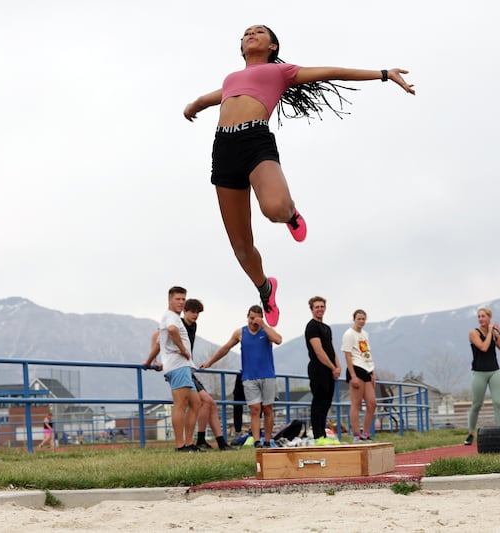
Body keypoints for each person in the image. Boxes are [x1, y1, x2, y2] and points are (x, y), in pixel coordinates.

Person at [183, 25, 415, 327]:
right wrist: (194, 105)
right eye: (246, 33)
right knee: (241, 247)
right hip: (223, 149)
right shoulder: (231, 79)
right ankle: (265, 288)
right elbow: (213, 97)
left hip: (255, 141)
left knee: (275, 209)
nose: (251, 34)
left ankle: (291, 214)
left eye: (259, 32)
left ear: (272, 47)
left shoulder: (281, 73)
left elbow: (334, 72)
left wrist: (383, 73)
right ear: (241, 48)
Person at [143, 299, 232, 450]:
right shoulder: (176, 322)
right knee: (200, 402)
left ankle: (209, 441)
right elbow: (158, 337)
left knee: (204, 403)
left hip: (188, 367)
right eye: (192, 311)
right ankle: (195, 442)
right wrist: (154, 360)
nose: (195, 315)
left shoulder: (193, 326)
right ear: (185, 311)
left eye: (198, 313)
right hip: (178, 367)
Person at [201, 305, 282, 448]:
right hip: (249, 377)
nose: (253, 322)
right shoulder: (240, 332)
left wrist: (264, 325)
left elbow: (278, 340)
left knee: (268, 409)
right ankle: (257, 441)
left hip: (267, 375)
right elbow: (226, 348)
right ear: (247, 317)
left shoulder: (266, 331)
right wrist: (210, 362)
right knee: (255, 409)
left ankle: (268, 441)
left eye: (256, 319)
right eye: (251, 318)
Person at [147, 286, 202, 452]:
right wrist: (184, 350)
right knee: (180, 404)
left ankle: (189, 443)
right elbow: (171, 331)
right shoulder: (171, 317)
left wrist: (149, 360)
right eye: (177, 299)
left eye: (183, 299)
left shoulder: (172, 317)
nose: (181, 302)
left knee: (196, 403)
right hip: (177, 366)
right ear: (170, 300)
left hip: (182, 366)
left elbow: (159, 343)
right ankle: (180, 445)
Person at [465, 307, 500, 445]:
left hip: (494, 371)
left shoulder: (493, 333)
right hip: (479, 373)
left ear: (489, 318)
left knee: (498, 403)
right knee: (477, 404)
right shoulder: (473, 333)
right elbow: (484, 347)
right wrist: (490, 332)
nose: (480, 319)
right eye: (479, 316)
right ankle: (471, 433)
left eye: (483, 316)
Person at [305, 296, 342, 444]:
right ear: (312, 309)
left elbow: (331, 349)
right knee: (318, 402)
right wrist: (332, 367)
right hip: (318, 368)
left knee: (327, 402)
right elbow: (319, 351)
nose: (320, 309)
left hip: (330, 370)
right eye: (317, 307)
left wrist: (338, 366)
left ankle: (324, 435)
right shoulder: (312, 326)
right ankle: (318, 436)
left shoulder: (327, 328)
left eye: (322, 306)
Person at [341, 309, 377, 442]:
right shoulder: (349, 334)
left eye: (363, 319)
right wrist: (353, 375)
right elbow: (347, 355)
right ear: (354, 319)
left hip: (367, 368)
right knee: (356, 403)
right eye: (359, 319)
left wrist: (372, 372)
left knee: (372, 403)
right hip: (356, 368)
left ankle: (366, 433)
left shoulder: (365, 334)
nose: (361, 321)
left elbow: (367, 353)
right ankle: (356, 434)